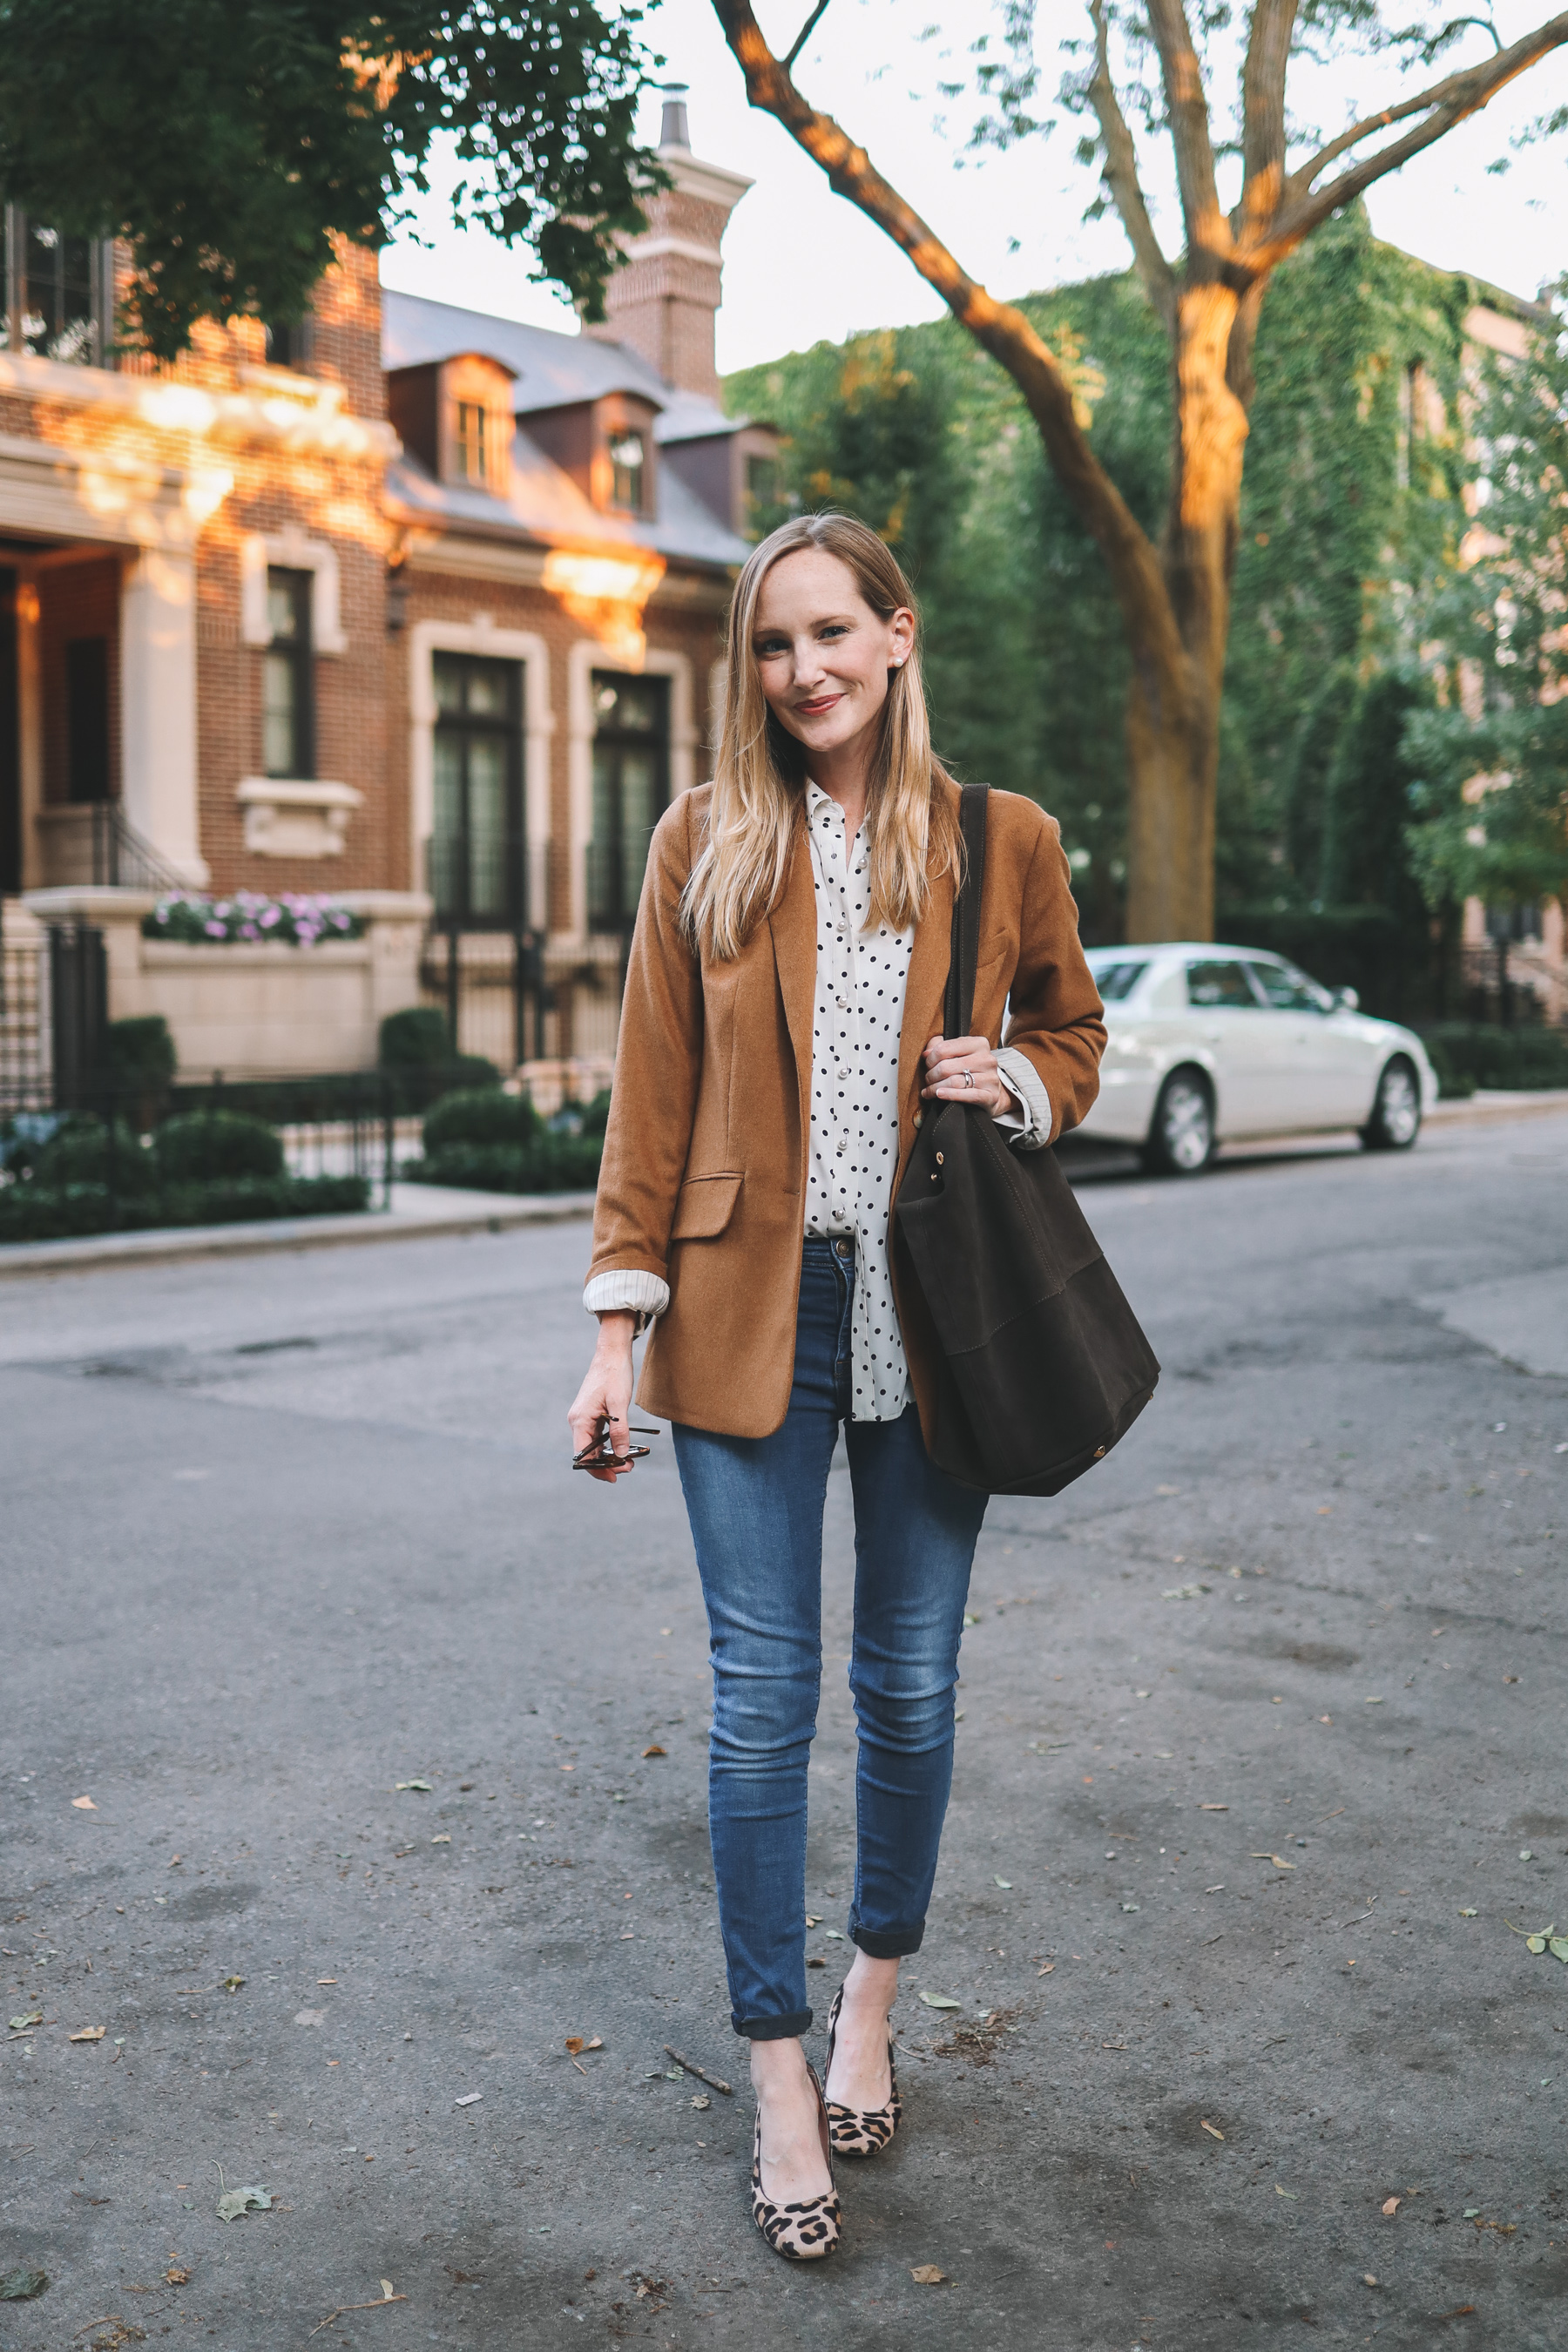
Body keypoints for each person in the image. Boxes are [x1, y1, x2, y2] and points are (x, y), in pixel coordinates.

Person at [568, 512, 1105, 2260]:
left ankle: (874, 1984)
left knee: (917, 1685)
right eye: (773, 643)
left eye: (830, 634)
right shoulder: (703, 840)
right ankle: (780, 2062)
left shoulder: (998, 837)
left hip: (934, 1310)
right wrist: (608, 1341)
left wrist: (1010, 1075)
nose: (802, 668)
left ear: (895, 634)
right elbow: (649, 1104)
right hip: (742, 1313)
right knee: (757, 1704)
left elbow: (1076, 1038)